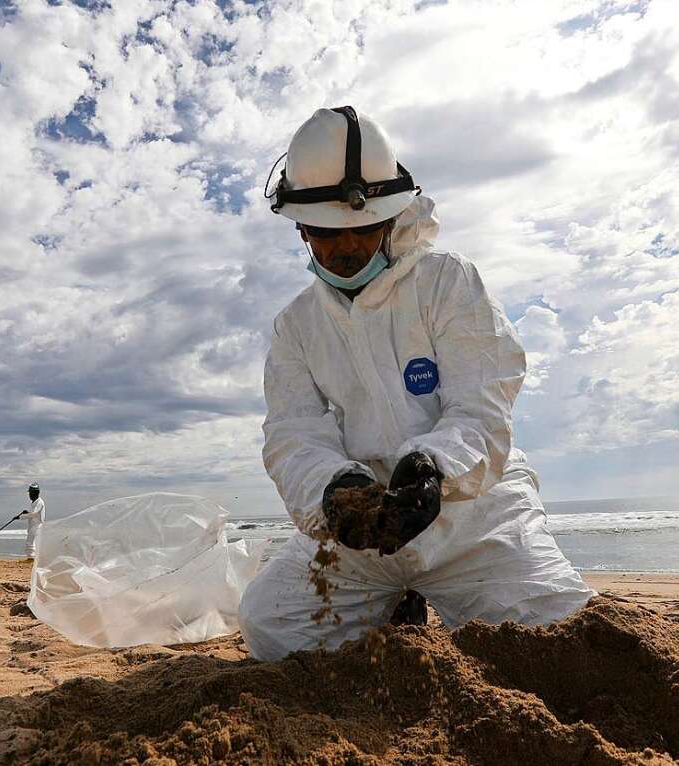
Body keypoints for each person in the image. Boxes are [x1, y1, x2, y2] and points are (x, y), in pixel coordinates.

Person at [238, 107, 594, 661]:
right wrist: (334, 491)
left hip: (469, 515)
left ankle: (433, 593)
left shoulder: (447, 282)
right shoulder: (297, 326)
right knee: (270, 626)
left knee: (562, 636)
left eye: (362, 227)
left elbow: (482, 407)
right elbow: (293, 435)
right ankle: (396, 602)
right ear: (303, 229)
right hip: (360, 532)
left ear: (391, 218)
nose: (346, 247)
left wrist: (432, 468)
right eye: (328, 234)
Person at [20, 481, 45, 562]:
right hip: (33, 525)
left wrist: (20, 517)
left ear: (36, 493)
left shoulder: (39, 502)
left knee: (30, 543)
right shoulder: (34, 502)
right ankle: (32, 558)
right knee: (31, 542)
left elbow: (33, 514)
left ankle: (31, 559)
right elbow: (31, 513)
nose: (30, 495)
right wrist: (26, 513)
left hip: (37, 526)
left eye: (31, 493)